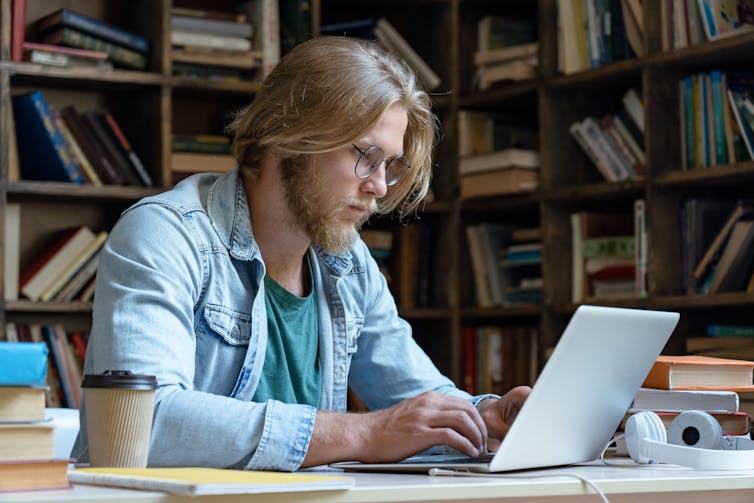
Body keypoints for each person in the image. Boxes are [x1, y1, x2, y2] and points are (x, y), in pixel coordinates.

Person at [72, 36, 530, 471]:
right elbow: (144, 421)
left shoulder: (349, 263)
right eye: (367, 155)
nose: (377, 186)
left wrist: (486, 417)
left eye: (389, 166)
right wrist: (365, 433)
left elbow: (417, 401)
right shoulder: (165, 234)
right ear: (290, 134)